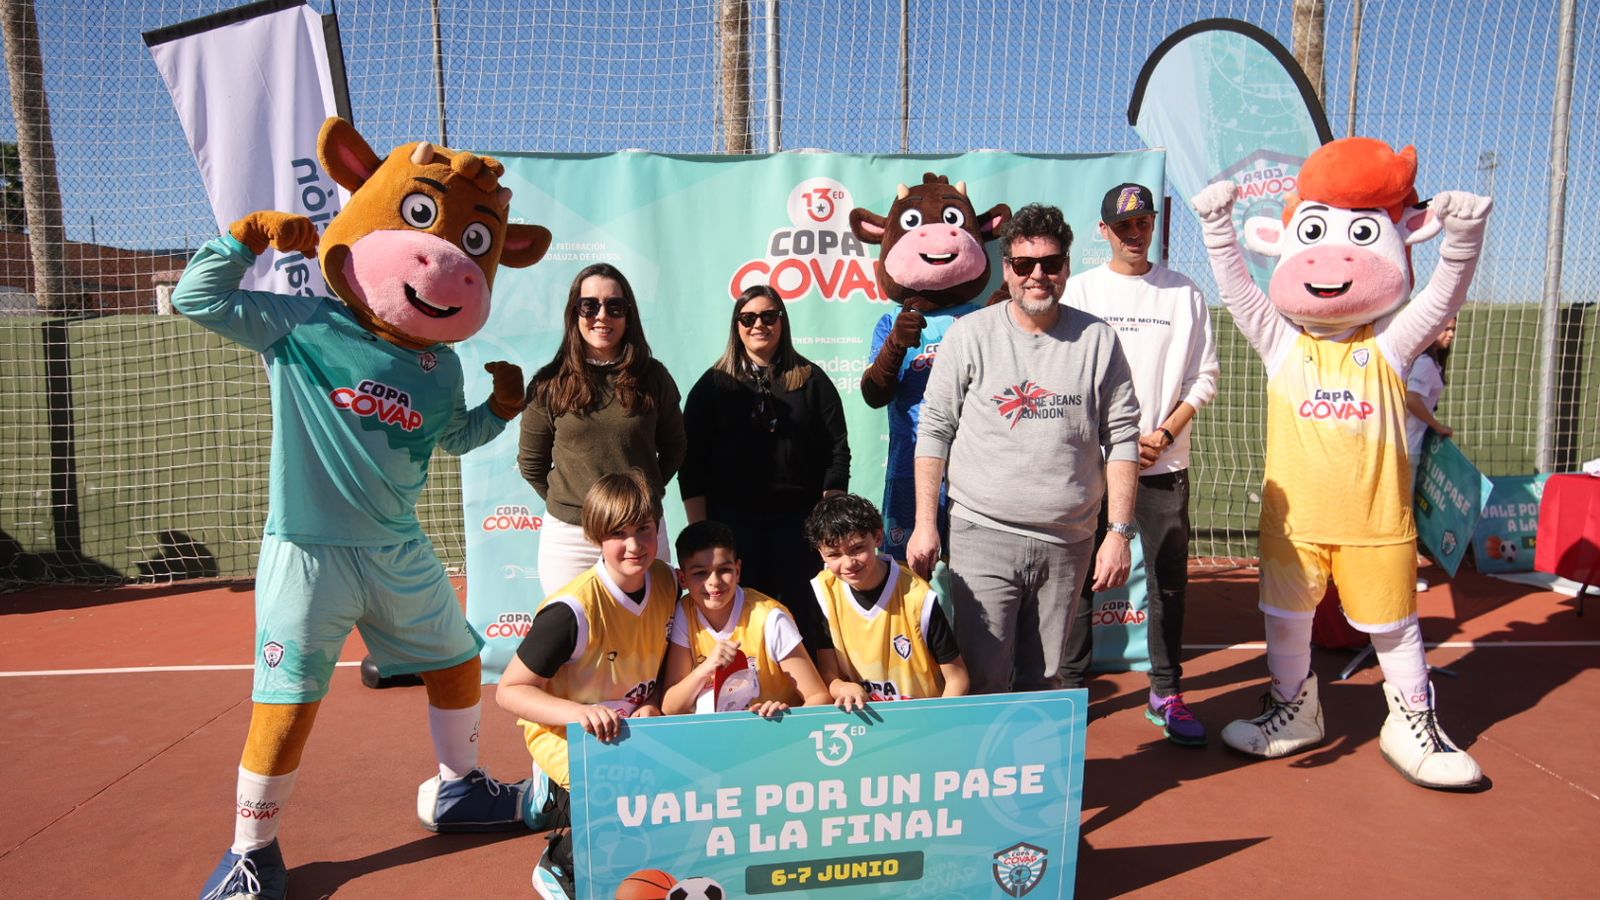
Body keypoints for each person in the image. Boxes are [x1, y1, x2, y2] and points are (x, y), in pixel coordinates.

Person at [909, 203, 1142, 695]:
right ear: (1007, 269)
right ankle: (981, 751)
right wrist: (926, 524)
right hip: (982, 533)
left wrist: (1119, 533)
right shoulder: (970, 336)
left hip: (1068, 541)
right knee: (982, 680)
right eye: (1023, 263)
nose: (1037, 274)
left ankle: (1038, 750)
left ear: (1066, 267)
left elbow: (1122, 437)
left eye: (1050, 263)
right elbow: (934, 431)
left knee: (1046, 680)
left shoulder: (1098, 341)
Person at [1059, 183, 1221, 745]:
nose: (1134, 233)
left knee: (1168, 581)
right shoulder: (1080, 291)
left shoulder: (1183, 292)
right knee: (1079, 578)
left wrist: (1162, 434)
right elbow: (1065, 375)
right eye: (1123, 225)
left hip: (1162, 461)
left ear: (1154, 225)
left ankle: (1166, 691)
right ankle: (1070, 692)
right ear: (1103, 231)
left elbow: (1204, 377)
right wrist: (1108, 444)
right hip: (1090, 464)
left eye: (1143, 222)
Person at [495, 470, 677, 900]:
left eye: (644, 529)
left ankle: (554, 795)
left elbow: (664, 659)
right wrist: (580, 714)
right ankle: (559, 863)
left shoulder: (668, 581)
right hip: (566, 730)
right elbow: (509, 691)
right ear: (596, 537)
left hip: (631, 727)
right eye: (618, 534)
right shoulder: (570, 611)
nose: (634, 545)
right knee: (622, 803)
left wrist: (653, 700)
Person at [680, 284, 850, 648]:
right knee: (744, 621)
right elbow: (691, 464)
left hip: (800, 527)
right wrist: (703, 532)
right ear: (737, 326)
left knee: (804, 618)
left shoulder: (812, 380)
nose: (759, 324)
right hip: (733, 525)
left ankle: (809, 682)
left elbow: (836, 451)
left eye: (769, 316)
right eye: (748, 318)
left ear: (782, 322)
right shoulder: (712, 386)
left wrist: (830, 522)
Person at [519, 263, 687, 592]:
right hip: (572, 538)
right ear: (574, 312)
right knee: (572, 624)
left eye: (614, 306)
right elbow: (531, 463)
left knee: (652, 623)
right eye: (589, 305)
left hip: (641, 532)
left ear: (628, 314)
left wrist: (642, 499)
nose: (602, 316)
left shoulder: (653, 377)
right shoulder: (549, 382)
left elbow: (675, 448)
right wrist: (574, 504)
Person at [804, 493, 969, 709]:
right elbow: (828, 673)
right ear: (821, 552)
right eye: (834, 554)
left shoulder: (918, 597)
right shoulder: (824, 592)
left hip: (921, 717)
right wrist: (843, 688)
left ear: (878, 537)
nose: (848, 563)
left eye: (857, 548)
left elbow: (957, 678)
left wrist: (938, 721)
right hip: (862, 719)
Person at [661, 520, 832, 717]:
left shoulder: (771, 618)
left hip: (774, 731)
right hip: (719, 732)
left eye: (724, 570)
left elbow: (819, 697)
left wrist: (785, 717)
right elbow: (670, 707)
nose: (714, 582)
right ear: (682, 579)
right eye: (700, 573)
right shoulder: (685, 611)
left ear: (738, 570)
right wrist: (706, 668)